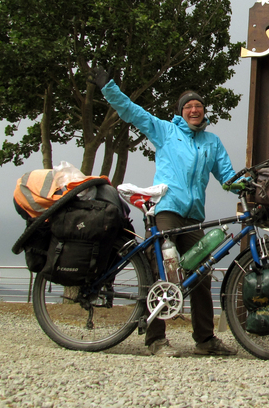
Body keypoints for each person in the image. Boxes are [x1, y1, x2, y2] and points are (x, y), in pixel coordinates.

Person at [90, 67, 238, 358]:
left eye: (198, 106)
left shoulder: (212, 142)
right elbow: (130, 111)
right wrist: (108, 87)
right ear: (181, 112)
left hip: (193, 217)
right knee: (162, 272)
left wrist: (249, 186)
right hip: (167, 210)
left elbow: (227, 177)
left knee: (201, 274)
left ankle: (205, 340)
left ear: (204, 111)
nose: (194, 110)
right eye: (188, 106)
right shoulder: (166, 131)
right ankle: (156, 339)